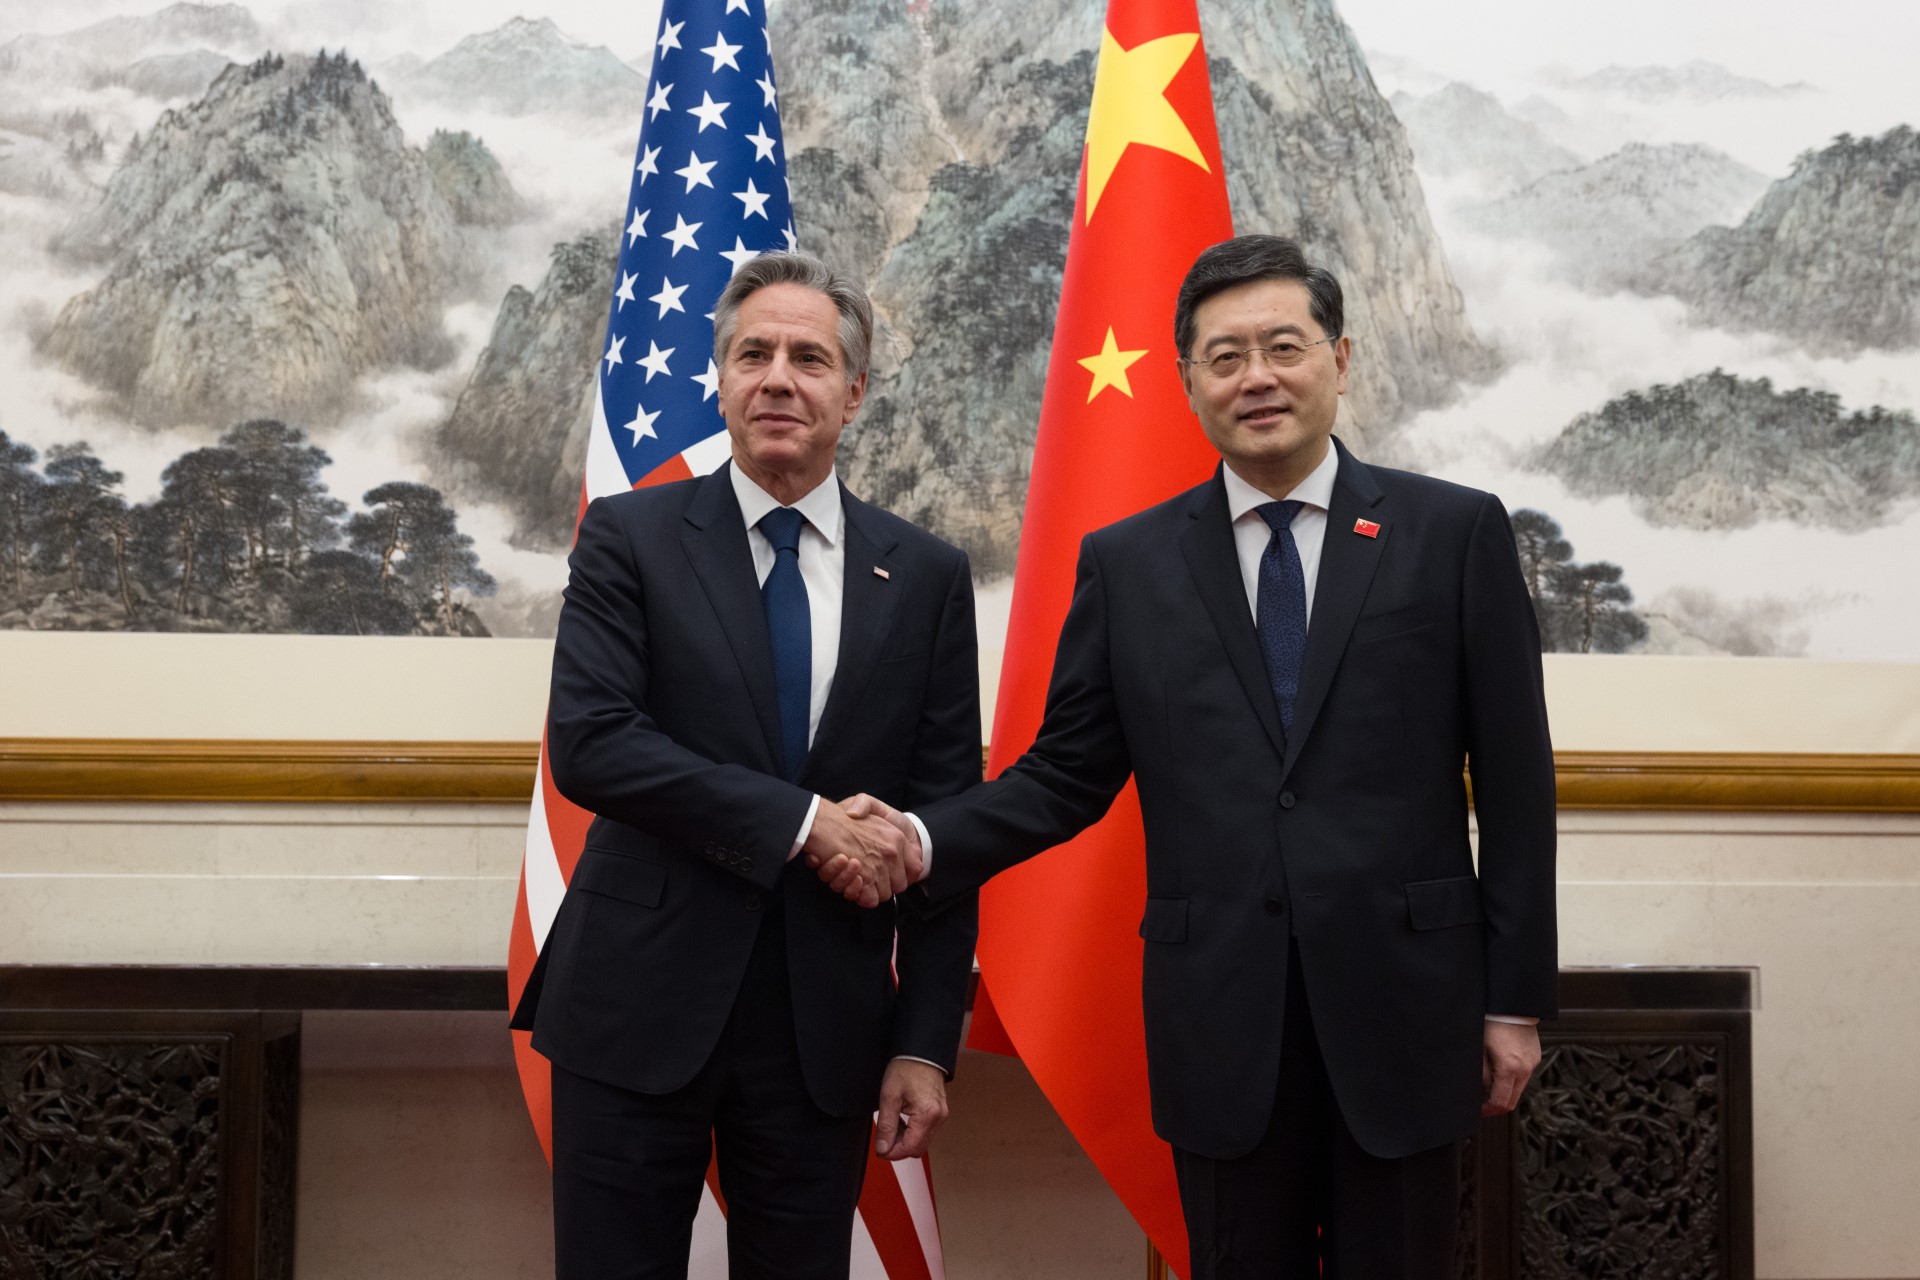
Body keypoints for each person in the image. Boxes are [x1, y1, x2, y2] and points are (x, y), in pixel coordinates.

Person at [830, 235, 1558, 1278]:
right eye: (1225, 356)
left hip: (1407, 1010)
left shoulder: (1453, 533)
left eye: (1283, 347)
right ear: (1186, 381)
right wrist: (920, 835)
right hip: (1221, 1021)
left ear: (1340, 359)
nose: (1257, 376)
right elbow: (1064, 774)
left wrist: (1514, 1000)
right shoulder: (1130, 563)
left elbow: (1519, 788)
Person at [511, 251, 983, 1280]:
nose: (778, 379)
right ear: (719, 381)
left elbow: (942, 826)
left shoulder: (927, 576)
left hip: (824, 1026)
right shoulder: (629, 535)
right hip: (636, 1001)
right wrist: (807, 823)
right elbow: (595, 742)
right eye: (753, 354)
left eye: (809, 358)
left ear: (853, 392)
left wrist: (923, 1040)